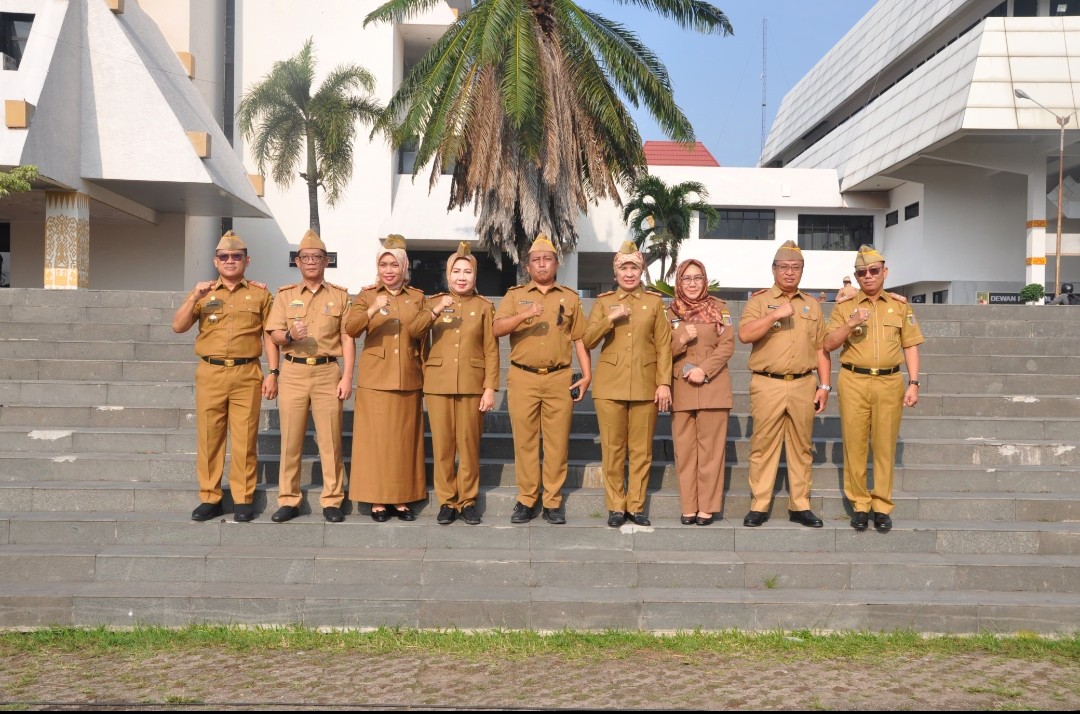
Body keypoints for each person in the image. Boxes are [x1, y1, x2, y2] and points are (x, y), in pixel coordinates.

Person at [171, 231, 277, 523]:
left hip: (247, 371)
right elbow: (178, 326)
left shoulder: (260, 294)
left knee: (244, 438)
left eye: (236, 256)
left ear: (247, 260)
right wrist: (194, 296)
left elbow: (269, 335)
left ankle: (243, 499)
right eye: (224, 257)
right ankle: (210, 497)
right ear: (215, 261)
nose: (230, 261)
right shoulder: (205, 293)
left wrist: (273, 372)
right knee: (209, 437)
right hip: (211, 372)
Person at [824, 245, 924, 533]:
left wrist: (914, 383)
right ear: (855, 277)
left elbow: (911, 345)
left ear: (884, 272)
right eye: (861, 272)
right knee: (854, 444)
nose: (867, 276)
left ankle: (881, 505)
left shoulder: (899, 306)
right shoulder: (844, 307)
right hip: (854, 380)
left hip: (890, 382)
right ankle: (860, 504)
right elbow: (829, 344)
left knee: (884, 446)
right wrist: (851, 323)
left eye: (873, 271)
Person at [493, 234, 591, 525]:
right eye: (536, 260)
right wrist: (524, 314)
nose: (542, 264)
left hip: (559, 378)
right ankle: (526, 500)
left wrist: (587, 374)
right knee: (524, 442)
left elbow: (580, 340)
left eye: (547, 259)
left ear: (556, 263)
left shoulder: (570, 297)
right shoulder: (514, 295)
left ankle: (552, 502)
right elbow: (497, 329)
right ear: (528, 265)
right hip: (523, 377)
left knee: (557, 443)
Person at [738, 240, 831, 529]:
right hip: (768, 384)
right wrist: (775, 314)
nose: (789, 273)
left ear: (802, 270)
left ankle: (800, 505)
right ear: (774, 269)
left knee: (802, 447)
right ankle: (760, 504)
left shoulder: (812, 305)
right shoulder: (759, 301)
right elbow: (744, 334)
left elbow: (821, 348)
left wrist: (824, 386)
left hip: (804, 383)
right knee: (763, 445)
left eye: (795, 267)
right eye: (784, 267)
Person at [266, 229, 354, 523]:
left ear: (326, 261)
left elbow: (347, 338)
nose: (311, 261)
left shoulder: (340, 296)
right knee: (290, 440)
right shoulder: (285, 296)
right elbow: (274, 334)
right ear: (298, 262)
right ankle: (289, 499)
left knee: (330, 440)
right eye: (306, 257)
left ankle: (332, 499)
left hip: (328, 371)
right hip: (293, 371)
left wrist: (347, 377)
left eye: (317, 257)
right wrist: (289, 335)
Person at [583, 241, 672, 527]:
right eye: (624, 267)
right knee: (612, 449)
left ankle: (636, 505)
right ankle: (615, 507)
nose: (629, 273)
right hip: (610, 387)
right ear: (615, 272)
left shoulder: (654, 303)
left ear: (642, 269)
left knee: (642, 450)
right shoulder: (603, 302)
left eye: (634, 267)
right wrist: (610, 318)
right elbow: (587, 340)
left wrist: (664, 384)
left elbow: (664, 345)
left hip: (646, 386)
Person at [345, 234, 429, 522]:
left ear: (404, 267)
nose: (389, 270)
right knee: (376, 442)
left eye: (395, 264)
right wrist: (372, 307)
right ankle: (378, 500)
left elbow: (421, 335)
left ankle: (402, 499)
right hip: (375, 379)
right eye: (384, 264)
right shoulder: (366, 295)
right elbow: (351, 328)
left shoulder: (417, 297)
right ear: (377, 268)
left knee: (405, 441)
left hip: (408, 375)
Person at [420, 242, 499, 525]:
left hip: (471, 384)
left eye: (467, 271)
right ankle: (447, 501)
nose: (462, 277)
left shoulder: (484, 307)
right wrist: (438, 309)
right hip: (438, 384)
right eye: (456, 271)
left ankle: (467, 500)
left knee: (468, 446)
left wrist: (490, 387)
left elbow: (491, 349)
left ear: (475, 276)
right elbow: (417, 334)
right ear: (448, 275)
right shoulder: (433, 303)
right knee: (442, 446)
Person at [668, 258, 735, 526]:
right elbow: (661, 350)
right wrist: (679, 339)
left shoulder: (719, 309)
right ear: (679, 282)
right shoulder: (670, 313)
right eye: (686, 278)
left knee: (711, 452)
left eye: (697, 278)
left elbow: (727, 345)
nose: (692, 283)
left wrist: (704, 369)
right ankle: (689, 506)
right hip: (681, 389)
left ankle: (707, 507)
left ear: (704, 280)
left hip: (713, 386)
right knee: (684, 453)